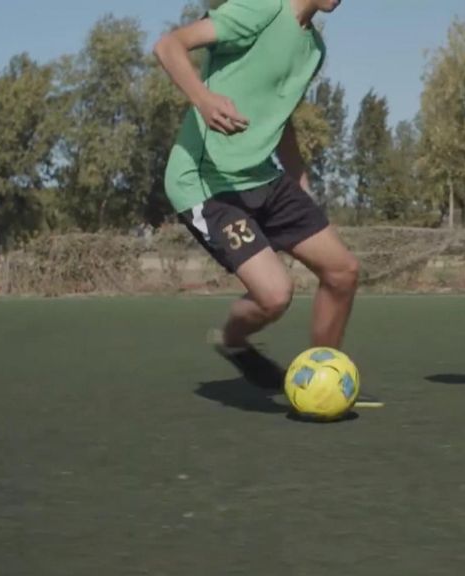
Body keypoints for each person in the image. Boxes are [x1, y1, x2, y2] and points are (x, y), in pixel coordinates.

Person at [154, 0, 380, 407]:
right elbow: (169, 45)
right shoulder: (259, 9)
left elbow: (282, 118)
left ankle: (323, 379)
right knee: (275, 295)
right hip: (207, 184)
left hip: (264, 177)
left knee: (342, 272)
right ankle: (232, 340)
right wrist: (204, 100)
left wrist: (300, 183)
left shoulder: (314, 49)